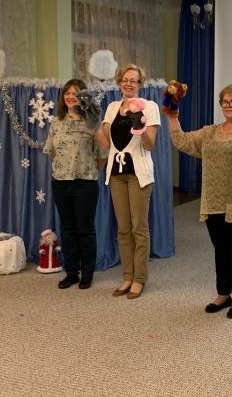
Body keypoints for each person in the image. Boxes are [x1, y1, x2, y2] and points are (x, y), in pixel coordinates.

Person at [164, 82, 232, 319]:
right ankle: (223, 294)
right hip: (214, 202)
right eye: (225, 101)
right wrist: (172, 117)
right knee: (221, 250)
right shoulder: (209, 132)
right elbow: (182, 141)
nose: (228, 105)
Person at [95, 64, 160, 299]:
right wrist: (93, 122)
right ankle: (127, 276)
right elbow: (105, 143)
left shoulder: (149, 107)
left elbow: (150, 145)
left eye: (134, 80)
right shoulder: (112, 107)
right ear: (119, 82)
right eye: (125, 79)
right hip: (116, 174)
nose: (129, 83)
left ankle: (139, 279)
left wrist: (139, 126)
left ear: (140, 84)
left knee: (138, 228)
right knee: (123, 229)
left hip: (139, 174)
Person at [43, 78, 107, 290]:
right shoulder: (56, 122)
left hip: (85, 183)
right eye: (68, 93)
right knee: (68, 229)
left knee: (85, 230)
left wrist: (86, 171)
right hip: (61, 183)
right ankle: (71, 273)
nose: (71, 97)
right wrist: (64, 169)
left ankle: (87, 273)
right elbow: (52, 152)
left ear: (83, 97)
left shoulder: (92, 122)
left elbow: (102, 154)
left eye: (76, 93)